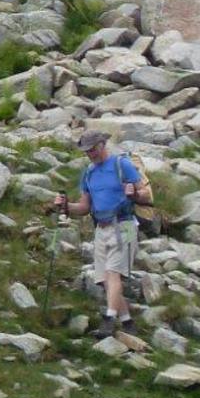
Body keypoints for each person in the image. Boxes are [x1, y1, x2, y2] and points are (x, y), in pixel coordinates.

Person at [52, 131, 152, 338]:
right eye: (86, 151)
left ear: (102, 144)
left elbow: (145, 194)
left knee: (113, 273)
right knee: (106, 279)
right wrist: (65, 206)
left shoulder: (121, 165)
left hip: (124, 225)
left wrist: (134, 193)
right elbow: (84, 207)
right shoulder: (88, 173)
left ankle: (108, 320)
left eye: (92, 149)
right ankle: (128, 322)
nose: (90, 154)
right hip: (101, 227)